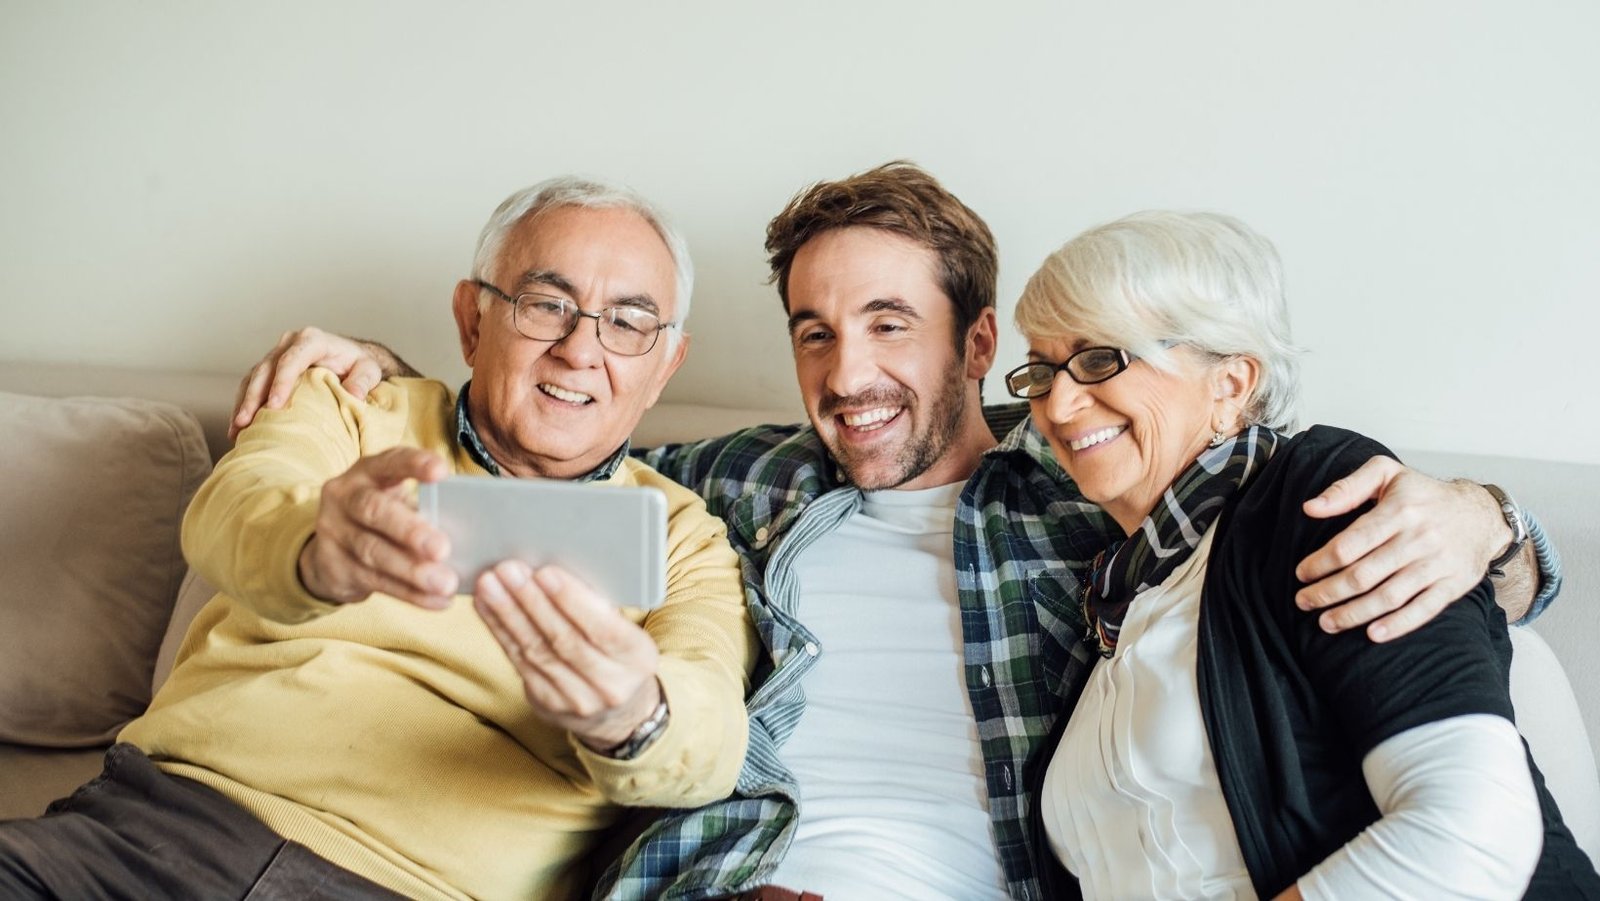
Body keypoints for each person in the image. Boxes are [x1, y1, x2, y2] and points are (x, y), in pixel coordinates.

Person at [227, 163, 1559, 900]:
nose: (844, 372)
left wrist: (1496, 524)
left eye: (887, 326)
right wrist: (386, 371)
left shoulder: (1092, 501)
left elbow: (1293, 524)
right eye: (814, 330)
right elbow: (551, 425)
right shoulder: (729, 489)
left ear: (981, 344)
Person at [0, 177, 756, 900]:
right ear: (472, 320)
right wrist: (315, 547)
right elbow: (234, 506)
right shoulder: (351, 405)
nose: (580, 349)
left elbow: (712, 736)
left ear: (664, 365)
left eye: (628, 322)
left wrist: (632, 711)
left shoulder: (687, 540)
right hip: (149, 832)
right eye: (546, 303)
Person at [1011, 210, 1597, 898]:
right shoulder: (1123, 593)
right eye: (1043, 372)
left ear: (1230, 385)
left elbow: (1470, 832)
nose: (1060, 402)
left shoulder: (1323, 499)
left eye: (1101, 358)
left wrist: (1492, 516)